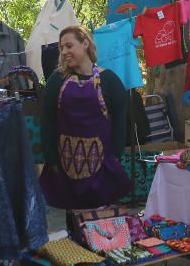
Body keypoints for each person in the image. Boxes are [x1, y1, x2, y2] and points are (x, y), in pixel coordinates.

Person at [39, 25, 130, 209]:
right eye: (61, 48)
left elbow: (121, 124)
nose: (64, 52)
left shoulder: (110, 81)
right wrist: (52, 162)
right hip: (64, 174)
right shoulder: (56, 81)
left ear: (85, 44)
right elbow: (47, 124)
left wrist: (115, 158)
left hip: (102, 172)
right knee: (72, 228)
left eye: (69, 46)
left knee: (100, 226)